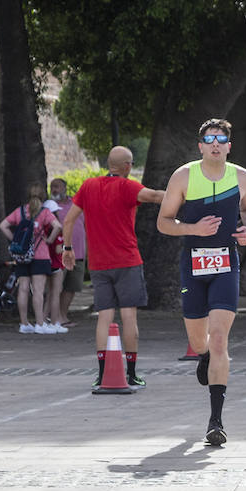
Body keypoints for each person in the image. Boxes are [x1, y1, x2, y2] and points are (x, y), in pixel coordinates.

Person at [157, 119, 246, 446]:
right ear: (200, 145)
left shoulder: (243, 177)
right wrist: (192, 229)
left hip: (226, 263)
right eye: (209, 139)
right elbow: (163, 222)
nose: (216, 144)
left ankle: (216, 420)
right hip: (193, 262)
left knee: (219, 340)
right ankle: (203, 357)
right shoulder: (183, 176)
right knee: (200, 341)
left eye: (222, 139)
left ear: (230, 145)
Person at [63, 145, 165, 390]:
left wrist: (68, 249)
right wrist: (183, 192)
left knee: (104, 318)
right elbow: (153, 196)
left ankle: (102, 374)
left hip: (99, 263)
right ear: (128, 166)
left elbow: (69, 219)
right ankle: (130, 373)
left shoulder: (88, 186)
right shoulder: (127, 186)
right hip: (127, 261)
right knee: (129, 316)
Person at [0, 190, 62, 334]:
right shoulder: (44, 212)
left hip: (22, 256)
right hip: (40, 255)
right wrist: (50, 239)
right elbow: (58, 226)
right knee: (38, 291)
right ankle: (40, 323)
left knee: (23, 289)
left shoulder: (20, 211)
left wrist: (14, 239)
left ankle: (24, 323)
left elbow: (2, 225)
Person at [49, 177, 85, 325]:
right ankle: (53, 317)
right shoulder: (50, 207)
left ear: (65, 188)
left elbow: (86, 226)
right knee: (57, 286)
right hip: (59, 254)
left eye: (57, 186)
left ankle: (63, 316)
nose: (54, 190)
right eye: (52, 187)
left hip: (79, 252)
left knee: (72, 287)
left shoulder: (77, 204)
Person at [41, 198, 67, 329]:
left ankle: (44, 319)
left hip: (45, 263)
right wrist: (68, 248)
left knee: (49, 294)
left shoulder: (43, 228)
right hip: (56, 264)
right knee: (56, 294)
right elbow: (58, 249)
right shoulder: (57, 229)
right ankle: (55, 322)